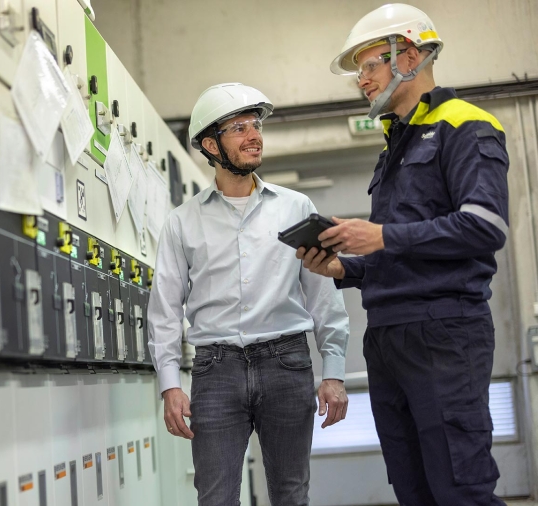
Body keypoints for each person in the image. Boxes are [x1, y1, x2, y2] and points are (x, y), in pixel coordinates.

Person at [298, 4, 509, 505]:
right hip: (388, 336)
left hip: (443, 334)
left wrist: (382, 236)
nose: (362, 81)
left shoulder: (465, 125)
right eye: (359, 72)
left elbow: (485, 226)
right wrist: (342, 267)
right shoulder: (396, 141)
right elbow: (396, 250)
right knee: (414, 489)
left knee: (460, 488)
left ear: (410, 56)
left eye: (370, 65)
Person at [148, 82, 349, 506]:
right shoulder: (182, 222)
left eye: (255, 124)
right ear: (210, 144)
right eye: (239, 128)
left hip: (287, 363)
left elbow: (323, 295)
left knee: (291, 494)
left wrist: (332, 370)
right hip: (215, 372)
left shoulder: (295, 207)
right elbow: (164, 309)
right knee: (216, 497)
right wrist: (169, 384)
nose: (254, 134)